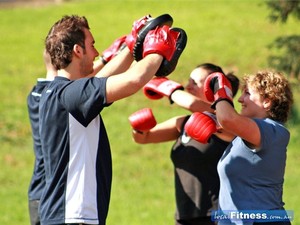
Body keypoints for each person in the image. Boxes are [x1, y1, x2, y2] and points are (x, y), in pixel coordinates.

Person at [38, 14, 186, 225]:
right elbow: (134, 80)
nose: (97, 52)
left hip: (66, 216)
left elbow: (102, 80)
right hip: (73, 217)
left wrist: (132, 45)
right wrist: (157, 50)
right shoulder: (71, 94)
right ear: (77, 51)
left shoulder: (59, 91)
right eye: (92, 45)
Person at [129, 63, 240, 225]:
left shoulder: (226, 123)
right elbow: (144, 138)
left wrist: (169, 88)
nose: (189, 87)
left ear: (212, 87)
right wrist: (139, 128)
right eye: (188, 82)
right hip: (184, 216)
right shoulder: (184, 123)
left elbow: (193, 105)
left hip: (217, 215)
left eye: (195, 82)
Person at [204, 70, 293, 224]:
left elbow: (227, 118)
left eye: (247, 93)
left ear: (267, 101)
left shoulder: (272, 131)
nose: (240, 99)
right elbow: (225, 122)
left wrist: (221, 90)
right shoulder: (246, 136)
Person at [27, 49, 57, 225]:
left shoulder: (35, 93)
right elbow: (87, 84)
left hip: (37, 191)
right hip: (48, 196)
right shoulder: (56, 96)